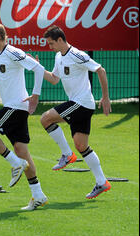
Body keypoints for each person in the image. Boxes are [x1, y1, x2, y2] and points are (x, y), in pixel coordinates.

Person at [0, 22, 48, 210]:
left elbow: (38, 69)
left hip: (15, 107)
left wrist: (36, 96)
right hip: (14, 108)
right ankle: (38, 194)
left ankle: (15, 163)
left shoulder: (13, 52)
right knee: (22, 151)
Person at [39, 25, 112, 199]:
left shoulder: (77, 55)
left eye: (51, 43)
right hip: (80, 105)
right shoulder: (58, 56)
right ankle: (102, 182)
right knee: (81, 145)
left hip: (81, 103)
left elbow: (100, 70)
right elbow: (54, 79)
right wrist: (37, 67)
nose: (50, 47)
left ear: (60, 40)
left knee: (46, 119)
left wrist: (106, 97)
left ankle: (67, 155)